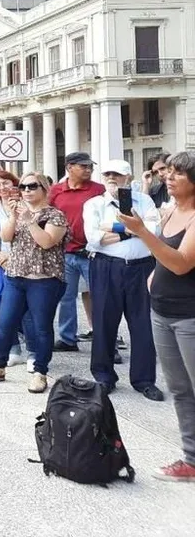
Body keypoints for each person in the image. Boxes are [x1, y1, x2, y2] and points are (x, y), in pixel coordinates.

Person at [118, 151, 195, 481]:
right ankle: (191, 459)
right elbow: (164, 257)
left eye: (178, 173)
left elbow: (180, 262)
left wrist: (141, 232)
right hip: (163, 311)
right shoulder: (172, 210)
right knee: (179, 389)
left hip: (190, 315)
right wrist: (153, 275)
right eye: (169, 172)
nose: (169, 177)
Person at [0, 172, 68, 394]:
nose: (26, 190)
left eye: (32, 186)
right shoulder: (19, 213)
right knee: (5, 324)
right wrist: (13, 216)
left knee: (41, 328)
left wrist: (29, 220)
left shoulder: (55, 215)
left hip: (44, 280)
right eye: (23, 186)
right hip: (16, 276)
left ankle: (40, 372)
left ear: (44, 188)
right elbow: (6, 237)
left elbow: (47, 242)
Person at [83, 159, 163, 400]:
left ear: (128, 177)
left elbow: (154, 231)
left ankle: (144, 379)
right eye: (107, 173)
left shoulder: (145, 201)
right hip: (107, 267)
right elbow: (94, 236)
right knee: (104, 323)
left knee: (142, 325)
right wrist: (134, 230)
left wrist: (113, 227)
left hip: (141, 268)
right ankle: (104, 376)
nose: (111, 178)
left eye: (117, 174)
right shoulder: (94, 204)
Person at [49, 151, 105, 351]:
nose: (88, 170)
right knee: (66, 298)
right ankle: (67, 338)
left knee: (101, 298)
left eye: (90, 166)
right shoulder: (56, 191)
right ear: (69, 167)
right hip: (65, 253)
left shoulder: (99, 190)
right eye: (84, 166)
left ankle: (106, 343)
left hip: (92, 252)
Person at [0, 171, 35, 367]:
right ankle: (13, 349)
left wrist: (12, 258)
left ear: (15, 184)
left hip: (23, 264)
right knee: (4, 309)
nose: (2, 188)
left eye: (6, 183)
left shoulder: (26, 208)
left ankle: (33, 352)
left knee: (27, 311)